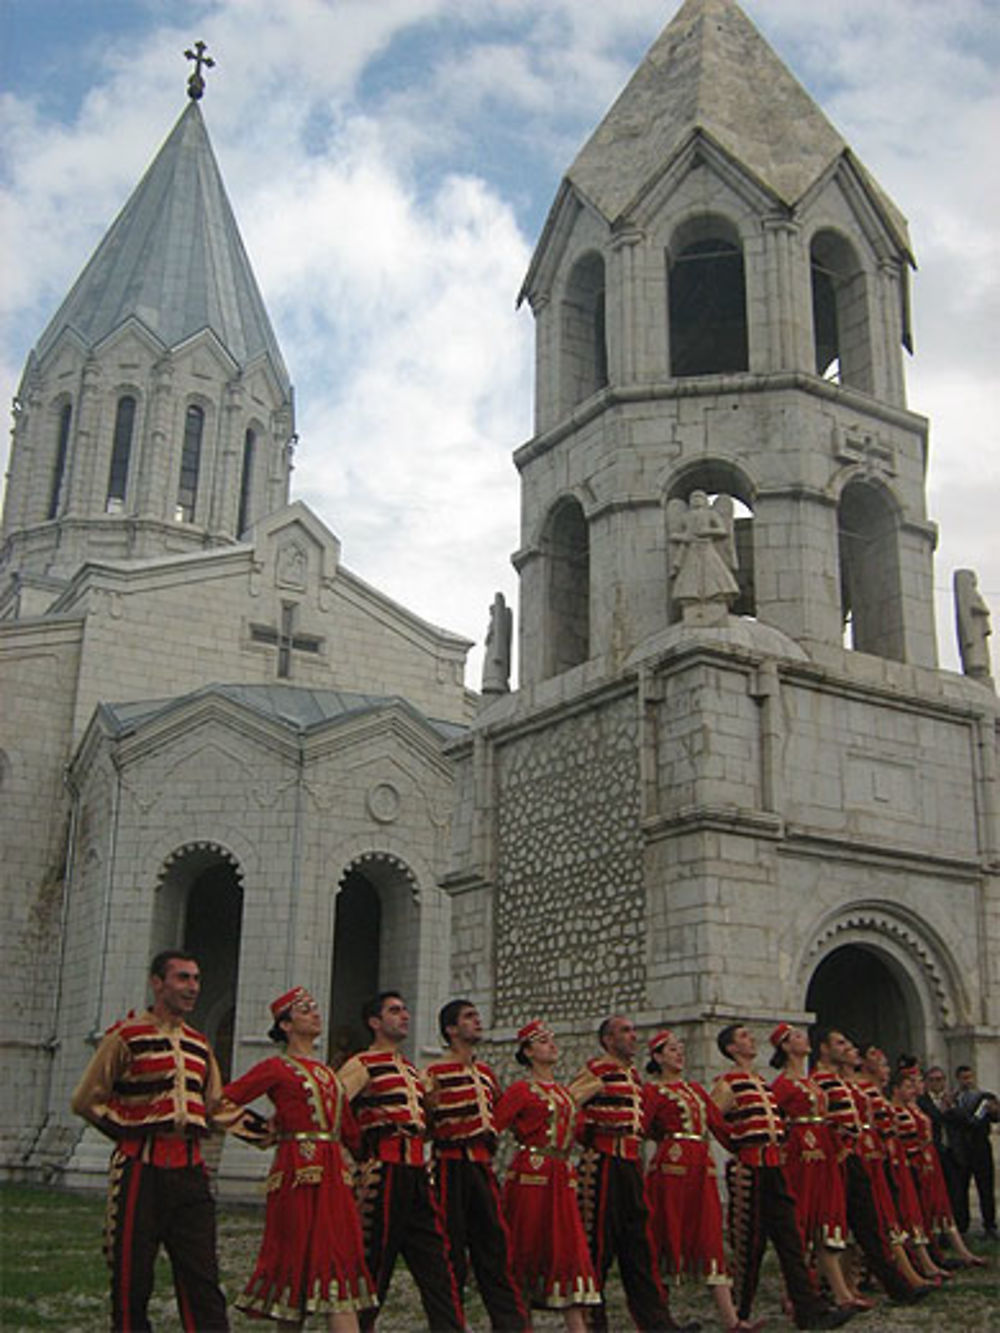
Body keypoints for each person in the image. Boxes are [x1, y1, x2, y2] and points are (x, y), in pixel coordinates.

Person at [70, 949, 232, 1332]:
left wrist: (272, 1132)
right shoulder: (126, 1037)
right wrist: (127, 1130)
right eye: (182, 978)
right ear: (157, 983)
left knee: (202, 1279)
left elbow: (215, 1105)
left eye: (195, 979)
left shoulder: (198, 1045)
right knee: (132, 1277)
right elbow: (86, 1099)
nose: (192, 987)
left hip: (191, 1172)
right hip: (141, 1169)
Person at [220, 986, 377, 1328]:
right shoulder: (276, 1068)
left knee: (339, 1260)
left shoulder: (330, 1078)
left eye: (314, 1008)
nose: (315, 1013)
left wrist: (369, 1162)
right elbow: (223, 1102)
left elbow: (349, 1130)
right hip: (296, 1173)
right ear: (286, 1025)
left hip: (335, 1176)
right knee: (294, 1262)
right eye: (304, 1010)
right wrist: (264, 1132)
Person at [337, 991, 465, 1331]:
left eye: (405, 1010)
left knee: (438, 1265)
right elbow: (334, 1104)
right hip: (383, 1172)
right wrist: (359, 1150)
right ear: (375, 1022)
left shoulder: (409, 1070)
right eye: (395, 1011)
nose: (404, 1016)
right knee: (372, 1264)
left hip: (416, 1173)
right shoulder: (362, 1064)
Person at [710, 1024, 851, 1331]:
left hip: (774, 1167)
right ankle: (739, 1314)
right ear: (732, 1049)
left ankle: (808, 1311)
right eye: (744, 1037)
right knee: (749, 1244)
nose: (751, 1040)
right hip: (751, 1168)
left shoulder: (760, 1082)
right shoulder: (728, 1083)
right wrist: (736, 1143)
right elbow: (712, 1117)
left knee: (791, 1242)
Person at [568, 1014, 693, 1332]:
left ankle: (656, 1323)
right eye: (625, 1031)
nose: (633, 1037)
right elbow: (569, 1107)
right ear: (608, 1040)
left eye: (633, 1031)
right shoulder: (596, 1070)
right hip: (604, 1165)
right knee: (598, 1245)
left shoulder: (634, 1077)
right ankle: (593, 1323)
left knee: (639, 1247)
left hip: (630, 1166)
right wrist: (593, 1133)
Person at [423, 999, 530, 1331]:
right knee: (450, 1250)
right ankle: (453, 1324)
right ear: (451, 1030)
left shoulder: (485, 1074)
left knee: (495, 1248)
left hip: (481, 1168)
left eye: (476, 1016)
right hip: (449, 1166)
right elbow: (424, 1123)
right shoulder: (433, 1073)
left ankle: (510, 1324)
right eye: (469, 1017)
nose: (478, 1021)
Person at [644, 1030, 758, 1332]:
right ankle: (660, 1318)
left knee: (708, 1235)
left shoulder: (695, 1090)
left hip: (701, 1167)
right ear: (657, 1057)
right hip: (671, 1167)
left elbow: (718, 1125)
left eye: (680, 1048)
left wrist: (744, 1145)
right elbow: (642, 1126)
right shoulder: (653, 1092)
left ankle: (731, 1320)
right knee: (666, 1231)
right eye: (671, 1050)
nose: (679, 1053)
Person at [493, 1019, 600, 1330]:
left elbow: (577, 1132)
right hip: (532, 1175)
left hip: (561, 1176)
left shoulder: (565, 1094)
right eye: (542, 1041)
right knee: (527, 1247)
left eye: (552, 1040)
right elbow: (495, 1126)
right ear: (527, 1052)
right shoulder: (521, 1090)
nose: (551, 1045)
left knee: (569, 1250)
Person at [809, 1027, 928, 1305]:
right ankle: (834, 1289)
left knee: (868, 1223)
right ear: (824, 1049)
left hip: (858, 1156)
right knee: (839, 1225)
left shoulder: (840, 1082)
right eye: (839, 1043)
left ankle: (885, 1285)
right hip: (838, 1160)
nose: (846, 1048)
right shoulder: (818, 1082)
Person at [768, 1023, 863, 1310]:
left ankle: (841, 1293)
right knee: (801, 1221)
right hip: (801, 1157)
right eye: (796, 1036)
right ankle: (793, 1292)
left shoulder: (812, 1083)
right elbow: (773, 1118)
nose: (804, 1038)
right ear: (785, 1046)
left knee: (826, 1222)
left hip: (823, 1154)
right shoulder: (782, 1085)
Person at [855, 1046, 947, 1284]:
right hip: (871, 1156)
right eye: (878, 1059)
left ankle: (913, 1266)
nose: (884, 1065)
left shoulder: (875, 1093)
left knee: (898, 1210)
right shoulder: (859, 1088)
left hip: (889, 1156)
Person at [893, 1064, 985, 1267]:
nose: (916, 1087)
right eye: (911, 1084)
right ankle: (927, 1259)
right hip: (916, 1161)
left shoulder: (916, 1107)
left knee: (942, 1204)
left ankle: (957, 1252)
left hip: (929, 1159)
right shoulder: (904, 1109)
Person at [952, 1064, 999, 1237]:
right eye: (964, 1078)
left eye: (970, 1077)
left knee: (985, 1188)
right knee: (961, 1189)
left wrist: (995, 1111)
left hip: (981, 1148)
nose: (967, 1081)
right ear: (958, 1079)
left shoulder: (984, 1097)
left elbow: (994, 1117)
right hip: (962, 1149)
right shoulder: (954, 1098)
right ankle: (963, 1225)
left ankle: (990, 1224)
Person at [917, 1066, 965, 1220]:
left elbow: (963, 1120)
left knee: (957, 1190)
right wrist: (942, 1111)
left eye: (939, 1080)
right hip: (935, 1150)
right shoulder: (922, 1101)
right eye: (932, 1080)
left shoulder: (953, 1099)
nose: (936, 1083)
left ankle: (960, 1224)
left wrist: (951, 1108)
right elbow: (932, 1120)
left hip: (953, 1150)